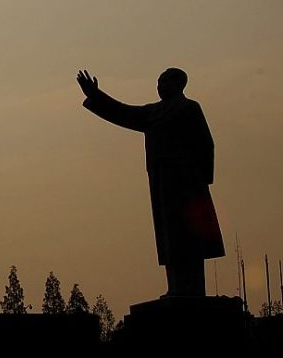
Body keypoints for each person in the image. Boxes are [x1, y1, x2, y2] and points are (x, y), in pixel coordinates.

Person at [77, 68, 225, 296]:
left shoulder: (189, 108)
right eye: (158, 82)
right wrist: (95, 95)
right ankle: (176, 287)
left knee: (190, 236)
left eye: (165, 82)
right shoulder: (153, 112)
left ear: (179, 84)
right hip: (163, 180)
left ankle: (192, 289)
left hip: (188, 182)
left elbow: (206, 143)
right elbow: (123, 112)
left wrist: (202, 179)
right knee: (169, 234)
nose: (160, 86)